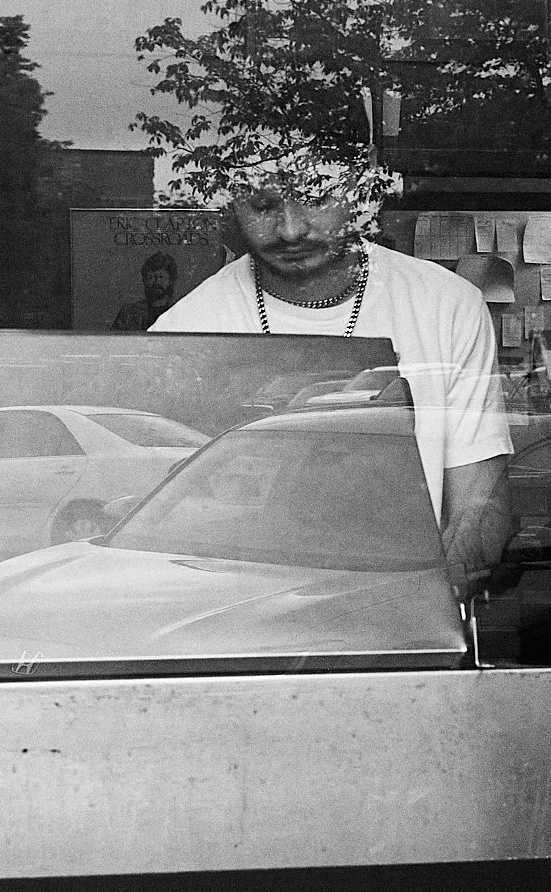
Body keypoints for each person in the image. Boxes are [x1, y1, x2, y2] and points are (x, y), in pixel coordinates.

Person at [150, 171, 515, 597]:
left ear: (356, 191)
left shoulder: (446, 305)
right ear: (233, 206)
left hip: (397, 619)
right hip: (227, 615)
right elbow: (166, 521)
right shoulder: (184, 331)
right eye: (263, 206)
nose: (290, 229)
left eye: (314, 197)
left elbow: (480, 503)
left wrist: (433, 597)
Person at [109, 250, 177, 331]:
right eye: (151, 277)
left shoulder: (179, 311)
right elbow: (114, 341)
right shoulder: (129, 313)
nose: (157, 282)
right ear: (145, 280)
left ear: (171, 280)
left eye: (161, 277)